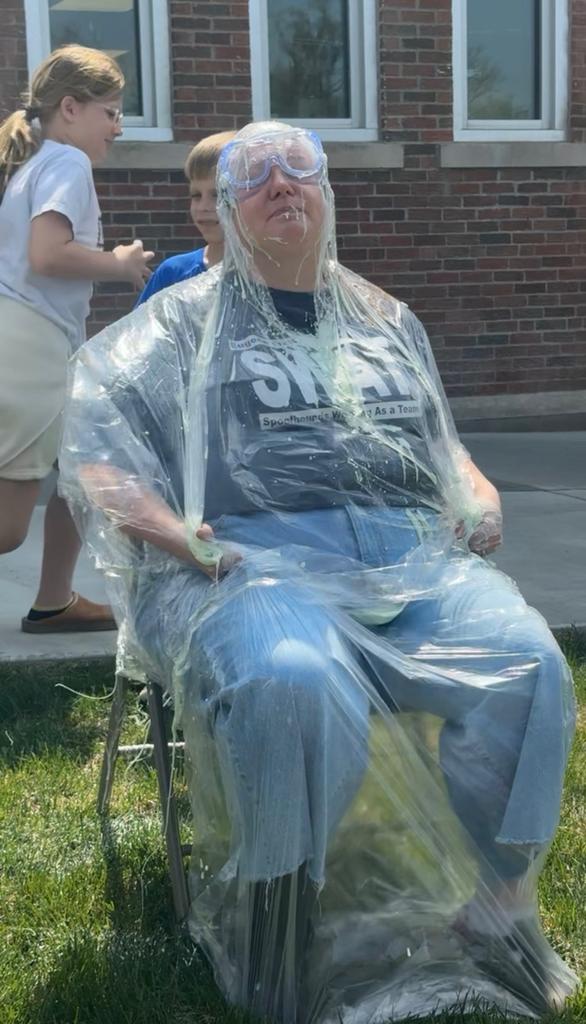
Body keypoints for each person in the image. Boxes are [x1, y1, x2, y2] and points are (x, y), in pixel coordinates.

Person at [60, 121, 577, 1022]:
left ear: (327, 194)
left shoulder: (385, 321)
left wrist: (477, 495)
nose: (281, 185)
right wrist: (181, 537)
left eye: (300, 169)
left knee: (529, 665)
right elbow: (101, 460)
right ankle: (282, 920)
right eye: (254, 175)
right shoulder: (175, 326)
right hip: (243, 567)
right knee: (293, 680)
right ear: (227, 208)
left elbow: (445, 450)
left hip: (407, 565)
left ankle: (499, 904)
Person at [0, 44, 153, 632]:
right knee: (7, 528)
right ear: (70, 107)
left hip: (31, 341)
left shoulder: (32, 160)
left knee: (81, 465)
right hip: (30, 349)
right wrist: (118, 263)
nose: (118, 127)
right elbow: (47, 254)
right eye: (110, 112)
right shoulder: (66, 161)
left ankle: (54, 600)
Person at [135, 130, 235, 307]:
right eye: (196, 195)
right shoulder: (173, 273)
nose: (203, 206)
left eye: (217, 195)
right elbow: (141, 324)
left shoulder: (272, 276)